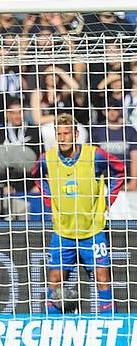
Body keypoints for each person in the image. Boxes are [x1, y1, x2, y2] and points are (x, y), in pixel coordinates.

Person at [33, 114, 125, 314]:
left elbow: (120, 170)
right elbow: (36, 176)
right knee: (55, 279)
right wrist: (49, 200)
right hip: (62, 230)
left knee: (102, 276)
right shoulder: (47, 159)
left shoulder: (94, 155)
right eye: (59, 134)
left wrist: (109, 200)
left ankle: (110, 323)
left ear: (75, 134)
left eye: (67, 133)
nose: (63, 138)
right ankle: (54, 326)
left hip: (92, 229)